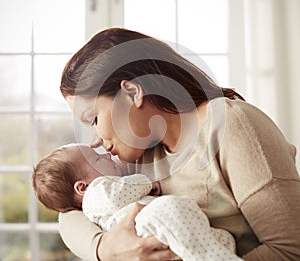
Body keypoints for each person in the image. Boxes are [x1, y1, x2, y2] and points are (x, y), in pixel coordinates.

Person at [58, 27, 300, 261]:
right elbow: (69, 213)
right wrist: (103, 249)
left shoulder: (231, 126)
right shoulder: (138, 156)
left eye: (94, 119)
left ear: (132, 93)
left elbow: (291, 250)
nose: (94, 139)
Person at [32, 143, 241, 261]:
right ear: (82, 187)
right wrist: (146, 183)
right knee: (168, 208)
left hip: (152, 233)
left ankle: (215, 248)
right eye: (96, 158)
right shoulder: (97, 193)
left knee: (187, 221)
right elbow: (115, 196)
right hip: (143, 226)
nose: (104, 154)